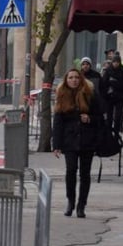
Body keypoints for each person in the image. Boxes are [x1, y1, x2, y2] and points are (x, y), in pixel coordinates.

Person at [51, 67, 104, 218]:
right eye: (70, 78)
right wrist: (56, 145)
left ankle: (81, 205)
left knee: (85, 174)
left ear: (81, 79)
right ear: (66, 80)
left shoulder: (90, 94)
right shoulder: (62, 95)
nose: (74, 80)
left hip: (87, 140)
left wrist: (90, 119)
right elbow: (58, 123)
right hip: (70, 141)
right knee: (71, 171)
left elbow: (100, 118)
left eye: (76, 77)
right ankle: (70, 201)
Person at [100, 52, 123, 136]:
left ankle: (116, 134)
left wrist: (113, 83)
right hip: (109, 98)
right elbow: (104, 84)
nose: (116, 64)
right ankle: (109, 135)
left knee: (118, 118)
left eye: (117, 62)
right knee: (109, 119)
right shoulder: (108, 71)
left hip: (119, 98)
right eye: (114, 62)